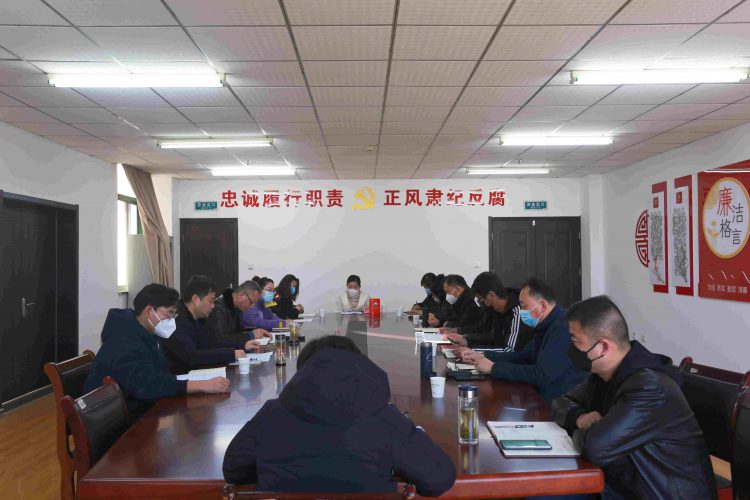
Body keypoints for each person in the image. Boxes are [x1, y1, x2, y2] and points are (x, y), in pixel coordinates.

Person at [222, 335, 456, 496]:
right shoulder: (385, 419)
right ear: (360, 367)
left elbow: (233, 470)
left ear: (303, 372)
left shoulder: (272, 415)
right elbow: (439, 478)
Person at [552, 296, 717, 499]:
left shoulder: (649, 387)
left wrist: (585, 431)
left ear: (603, 347)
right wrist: (580, 418)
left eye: (575, 342)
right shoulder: (602, 376)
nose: (570, 349)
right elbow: (560, 403)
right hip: (624, 484)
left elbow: (595, 448)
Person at [83, 283, 230, 418]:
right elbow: (148, 385)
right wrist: (202, 385)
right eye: (169, 314)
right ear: (149, 311)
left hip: (140, 408)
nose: (172, 321)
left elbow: (159, 374)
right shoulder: (124, 341)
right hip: (115, 422)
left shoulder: (147, 333)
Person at [462, 278, 587, 401]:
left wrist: (494, 368)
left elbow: (542, 375)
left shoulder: (563, 328)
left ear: (542, 305)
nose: (521, 312)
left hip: (559, 402)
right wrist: (483, 355)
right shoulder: (545, 325)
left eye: (524, 306)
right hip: (540, 395)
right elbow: (523, 356)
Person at [160, 275, 260, 375]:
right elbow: (191, 356)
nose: (213, 306)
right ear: (196, 299)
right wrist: (231, 354)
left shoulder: (198, 319)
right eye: (210, 301)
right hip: (182, 378)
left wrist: (242, 345)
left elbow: (212, 343)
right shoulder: (176, 320)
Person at [443, 271, 535, 353]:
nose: (480, 303)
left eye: (480, 299)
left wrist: (474, 351)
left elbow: (510, 350)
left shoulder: (517, 311)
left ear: (491, 295)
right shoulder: (494, 310)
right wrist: (466, 339)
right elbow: (490, 337)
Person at [206, 280, 271, 345]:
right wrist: (251, 335)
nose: (252, 306)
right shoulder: (218, 308)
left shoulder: (237, 308)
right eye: (251, 302)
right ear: (241, 295)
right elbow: (221, 339)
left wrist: (257, 331)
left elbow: (237, 333)